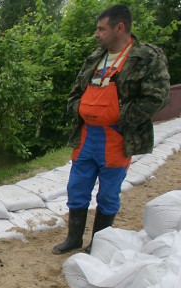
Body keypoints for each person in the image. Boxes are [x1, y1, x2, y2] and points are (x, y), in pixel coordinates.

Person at [53, 4, 170, 255]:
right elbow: (75, 92)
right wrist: (79, 108)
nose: (96, 34)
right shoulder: (96, 57)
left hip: (116, 137)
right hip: (87, 137)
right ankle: (73, 239)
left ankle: (98, 243)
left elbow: (157, 97)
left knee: (107, 195)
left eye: (101, 28)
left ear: (119, 28)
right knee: (77, 188)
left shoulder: (146, 56)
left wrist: (121, 116)